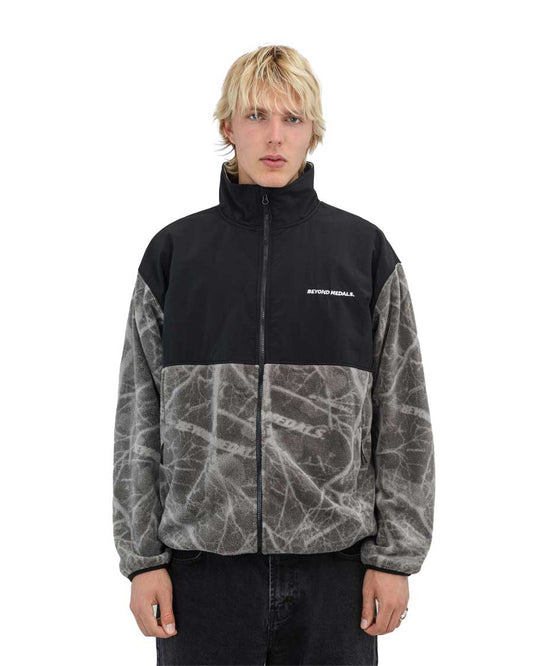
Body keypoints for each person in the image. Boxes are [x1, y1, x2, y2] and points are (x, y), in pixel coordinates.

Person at [113, 44, 435, 665]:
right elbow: (138, 417)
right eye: (256, 115)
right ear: (227, 126)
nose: (274, 137)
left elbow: (405, 416)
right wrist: (142, 561)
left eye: (293, 118)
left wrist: (395, 559)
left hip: (336, 575)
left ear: (314, 131)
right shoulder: (175, 253)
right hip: (201, 574)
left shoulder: (363, 251)